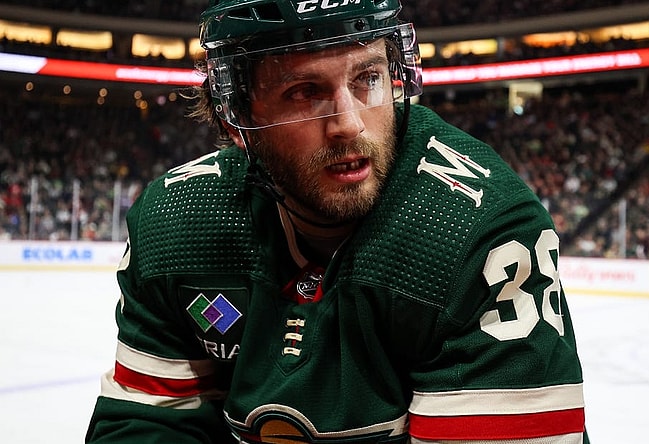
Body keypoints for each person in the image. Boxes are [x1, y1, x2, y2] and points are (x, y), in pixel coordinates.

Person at [86, 0, 590, 442]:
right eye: (305, 91)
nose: (348, 123)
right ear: (234, 117)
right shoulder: (178, 223)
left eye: (367, 78)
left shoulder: (480, 233)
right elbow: (145, 428)